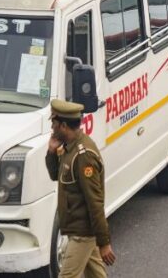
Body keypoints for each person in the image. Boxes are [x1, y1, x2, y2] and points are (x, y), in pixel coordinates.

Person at [45, 99, 115, 278]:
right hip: (77, 229)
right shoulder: (70, 148)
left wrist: (104, 242)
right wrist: (51, 152)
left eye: (53, 123)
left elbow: (95, 202)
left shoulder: (83, 156)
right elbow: (56, 176)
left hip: (83, 233)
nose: (52, 128)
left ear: (63, 125)